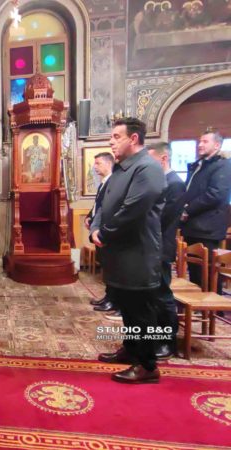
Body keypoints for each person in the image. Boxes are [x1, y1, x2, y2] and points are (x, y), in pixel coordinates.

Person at [90, 117, 165, 384]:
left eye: (116, 136)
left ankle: (147, 365)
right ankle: (131, 350)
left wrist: (104, 233)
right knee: (127, 308)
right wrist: (95, 228)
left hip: (138, 254)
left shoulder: (147, 168)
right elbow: (103, 205)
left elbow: (133, 209)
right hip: (119, 253)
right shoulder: (122, 168)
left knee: (141, 312)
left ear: (133, 139)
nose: (111, 141)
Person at [180, 129, 231, 294]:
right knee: (195, 273)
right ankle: (198, 301)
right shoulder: (200, 165)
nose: (200, 145)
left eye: (205, 141)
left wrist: (188, 210)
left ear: (217, 145)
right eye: (200, 141)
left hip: (207, 228)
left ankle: (211, 303)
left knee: (207, 275)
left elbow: (215, 194)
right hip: (193, 226)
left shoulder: (223, 165)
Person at [148, 142, 186, 358]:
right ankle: (153, 338)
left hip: (161, 246)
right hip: (151, 244)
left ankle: (167, 342)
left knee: (162, 295)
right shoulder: (160, 181)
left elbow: (163, 218)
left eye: (151, 160)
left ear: (163, 159)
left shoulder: (175, 184)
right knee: (151, 296)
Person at [84, 152, 116, 314]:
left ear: (109, 164)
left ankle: (114, 300)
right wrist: (89, 216)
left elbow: (108, 208)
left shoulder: (114, 182)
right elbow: (98, 205)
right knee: (106, 265)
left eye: (98, 163)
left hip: (105, 230)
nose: (95, 167)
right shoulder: (103, 183)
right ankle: (108, 297)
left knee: (112, 267)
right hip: (98, 229)